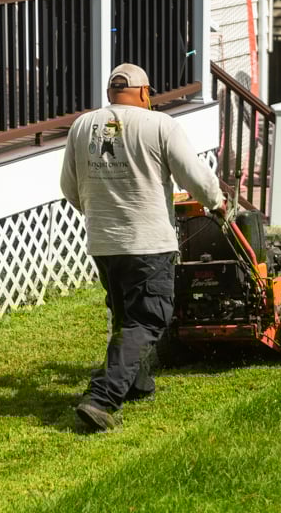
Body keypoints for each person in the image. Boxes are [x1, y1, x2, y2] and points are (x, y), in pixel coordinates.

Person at [60, 63, 223, 432]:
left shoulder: (83, 126)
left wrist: (100, 211)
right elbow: (193, 176)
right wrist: (217, 201)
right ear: (146, 93)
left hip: (103, 242)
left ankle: (136, 383)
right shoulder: (159, 125)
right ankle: (101, 399)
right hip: (147, 242)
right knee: (149, 317)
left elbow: (69, 187)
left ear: (109, 94)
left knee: (125, 316)